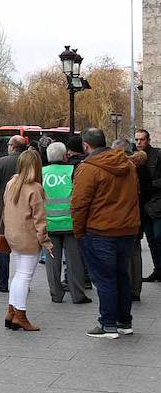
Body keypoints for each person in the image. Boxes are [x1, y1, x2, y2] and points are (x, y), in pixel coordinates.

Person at [71, 128, 140, 339]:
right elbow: (135, 194)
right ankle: (124, 321)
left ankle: (108, 323)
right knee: (121, 275)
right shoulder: (128, 164)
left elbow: (79, 204)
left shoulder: (88, 169)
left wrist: (78, 231)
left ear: (85, 145)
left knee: (105, 278)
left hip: (100, 230)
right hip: (127, 228)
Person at [2, 150, 53, 331]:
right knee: (24, 277)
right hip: (29, 238)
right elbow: (39, 220)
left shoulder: (11, 183)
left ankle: (11, 311)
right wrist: (46, 242)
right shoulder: (35, 188)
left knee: (18, 275)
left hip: (13, 235)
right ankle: (20, 315)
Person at [42, 142, 91, 304]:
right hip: (70, 223)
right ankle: (78, 294)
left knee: (51, 262)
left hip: (49, 224)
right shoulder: (72, 171)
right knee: (74, 261)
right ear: (65, 156)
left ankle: (56, 294)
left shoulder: (42, 172)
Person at [0, 135, 27, 293]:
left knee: (2, 245)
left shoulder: (1, 163)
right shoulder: (29, 163)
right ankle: (22, 281)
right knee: (23, 248)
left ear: (12, 147)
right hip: (24, 210)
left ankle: (3, 282)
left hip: (3, 211)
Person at [135, 129, 161, 282]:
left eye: (142, 139)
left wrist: (151, 185)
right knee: (151, 239)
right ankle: (158, 270)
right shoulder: (134, 157)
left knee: (158, 237)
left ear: (148, 140)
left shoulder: (157, 155)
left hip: (157, 203)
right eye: (137, 140)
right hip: (143, 205)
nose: (139, 143)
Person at [130, 150, 150, 301]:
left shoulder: (128, 170)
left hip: (125, 218)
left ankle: (128, 288)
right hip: (138, 216)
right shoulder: (144, 171)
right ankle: (135, 289)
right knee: (135, 253)